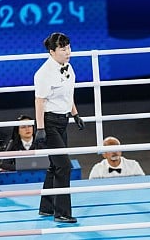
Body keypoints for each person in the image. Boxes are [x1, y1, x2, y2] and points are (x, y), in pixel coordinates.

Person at [34, 32, 85, 223]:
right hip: (48, 122)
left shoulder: (68, 67)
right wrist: (40, 129)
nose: (68, 52)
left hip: (63, 120)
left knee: (56, 165)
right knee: (63, 165)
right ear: (52, 51)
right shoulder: (44, 73)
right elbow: (39, 101)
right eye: (63, 49)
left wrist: (75, 114)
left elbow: (68, 94)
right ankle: (62, 212)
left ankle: (46, 207)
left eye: (69, 47)